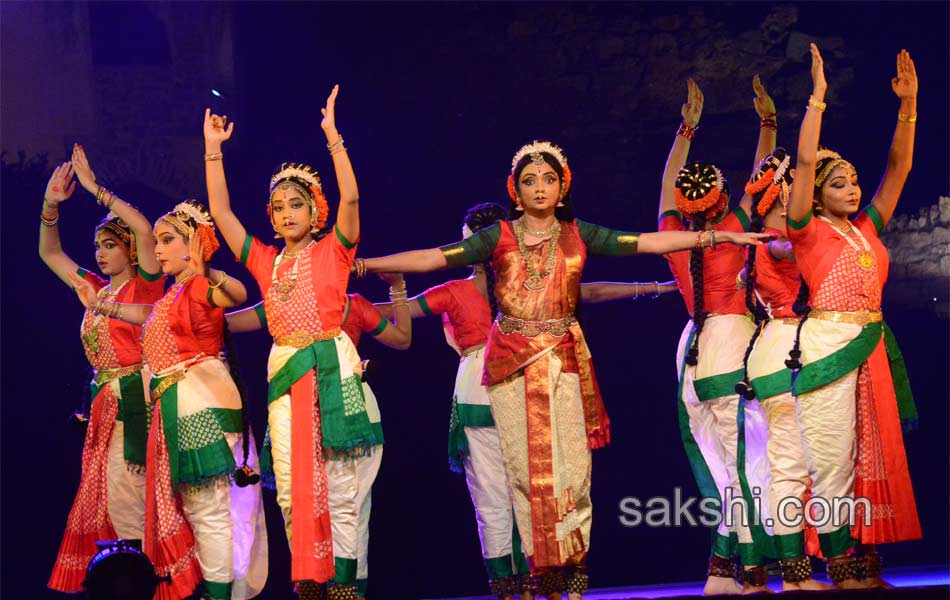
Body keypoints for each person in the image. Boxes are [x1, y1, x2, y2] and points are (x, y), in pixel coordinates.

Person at [359, 141, 769, 599]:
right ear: (516, 190)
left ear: (562, 186)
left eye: (548, 180)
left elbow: (645, 242)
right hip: (511, 364)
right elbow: (432, 257)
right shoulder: (498, 237)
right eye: (530, 181)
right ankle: (544, 576)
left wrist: (716, 236)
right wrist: (363, 263)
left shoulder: (578, 233)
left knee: (573, 470)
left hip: (564, 360)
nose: (540, 188)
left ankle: (572, 572)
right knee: (523, 472)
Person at [203, 85, 368, 599]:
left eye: (296, 205)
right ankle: (310, 583)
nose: (285, 214)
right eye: (277, 208)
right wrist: (214, 150)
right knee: (294, 487)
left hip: (333, 370)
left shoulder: (336, 250)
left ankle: (346, 584)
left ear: (314, 212)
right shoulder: (264, 261)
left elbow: (353, 199)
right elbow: (223, 215)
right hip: (285, 372)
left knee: (340, 485)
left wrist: (334, 139)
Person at [69, 200, 268, 600]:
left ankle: (219, 595)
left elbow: (238, 292)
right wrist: (101, 306)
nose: (157, 249)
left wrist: (207, 271)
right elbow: (147, 313)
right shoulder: (175, 294)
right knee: (204, 513)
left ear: (192, 244)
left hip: (199, 404)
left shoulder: (198, 285)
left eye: (166, 240)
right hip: (183, 403)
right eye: (156, 241)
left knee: (208, 513)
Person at [784, 43, 921, 588]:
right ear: (815, 195)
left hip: (872, 349)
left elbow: (899, 166)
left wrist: (908, 106)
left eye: (854, 182)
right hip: (827, 348)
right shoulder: (806, 228)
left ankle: (865, 559)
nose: (854, 188)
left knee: (871, 455)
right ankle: (837, 563)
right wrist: (817, 100)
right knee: (833, 458)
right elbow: (803, 163)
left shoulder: (865, 229)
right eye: (838, 183)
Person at [657, 77, 780, 594]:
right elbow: (761, 179)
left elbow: (664, 187)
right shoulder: (735, 223)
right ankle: (751, 568)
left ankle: (720, 569)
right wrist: (768, 123)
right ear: (722, 198)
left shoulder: (672, 233)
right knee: (749, 461)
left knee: (721, 466)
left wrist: (687, 128)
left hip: (691, 350)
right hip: (730, 343)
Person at [226, 277, 411, 600]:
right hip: (295, 405)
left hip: (350, 407)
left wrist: (398, 287)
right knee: (298, 498)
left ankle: (348, 590)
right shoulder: (281, 304)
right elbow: (228, 323)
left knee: (350, 504)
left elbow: (402, 338)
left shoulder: (351, 303)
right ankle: (312, 583)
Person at [44, 145, 164, 593]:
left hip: (137, 401)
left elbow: (145, 228)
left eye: (110, 245)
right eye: (97, 245)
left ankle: (136, 580)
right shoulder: (92, 287)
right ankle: (114, 579)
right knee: (107, 496)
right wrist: (51, 205)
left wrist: (93, 189)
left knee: (129, 490)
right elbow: (50, 253)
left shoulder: (146, 284)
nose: (99, 253)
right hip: (103, 405)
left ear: (131, 251)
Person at [737, 147, 832, 590]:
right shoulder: (777, 243)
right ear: (780, 197)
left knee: (793, 465)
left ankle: (801, 568)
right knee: (791, 467)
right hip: (787, 354)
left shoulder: (761, 245)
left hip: (778, 350)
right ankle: (794, 574)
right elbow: (793, 251)